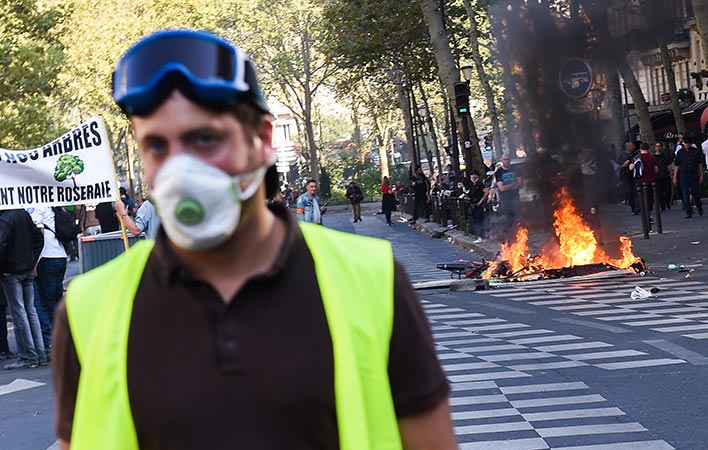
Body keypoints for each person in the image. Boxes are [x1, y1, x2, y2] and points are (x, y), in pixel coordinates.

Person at [52, 29, 455, 450]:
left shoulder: (373, 281)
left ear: (263, 140)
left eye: (205, 139)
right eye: (156, 146)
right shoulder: (88, 308)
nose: (180, 170)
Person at [0, 209, 46, 369]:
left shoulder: (4, 221)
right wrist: (33, 261)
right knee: (30, 312)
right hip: (27, 269)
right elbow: (39, 238)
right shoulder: (22, 214)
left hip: (12, 273)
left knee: (20, 314)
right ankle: (39, 354)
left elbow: (1, 247)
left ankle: (29, 357)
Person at [29, 206, 69, 349]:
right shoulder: (52, 206)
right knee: (57, 299)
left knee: (47, 302)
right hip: (61, 255)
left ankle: (55, 338)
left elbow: (39, 234)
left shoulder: (35, 207)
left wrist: (34, 263)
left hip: (46, 257)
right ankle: (65, 334)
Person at [673, 133, 704, 218]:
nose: (687, 145)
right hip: (683, 174)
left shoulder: (695, 151)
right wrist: (675, 177)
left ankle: (699, 206)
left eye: (688, 143)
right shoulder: (680, 152)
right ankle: (688, 211)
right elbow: (677, 165)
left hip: (693, 174)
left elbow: (699, 163)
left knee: (696, 193)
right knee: (685, 193)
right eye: (686, 143)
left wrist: (701, 174)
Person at [494, 153, 524, 225]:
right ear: (501, 160)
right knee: (507, 218)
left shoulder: (517, 169)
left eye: (508, 159)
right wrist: (513, 184)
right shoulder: (499, 172)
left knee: (517, 215)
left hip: (515, 197)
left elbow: (520, 184)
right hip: (504, 199)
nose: (506, 161)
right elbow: (502, 188)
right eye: (504, 160)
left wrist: (507, 187)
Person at [630, 142, 658, 218]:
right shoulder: (652, 157)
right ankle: (649, 213)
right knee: (649, 198)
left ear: (640, 149)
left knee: (641, 198)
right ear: (648, 149)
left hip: (639, 181)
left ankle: (644, 214)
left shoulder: (636, 158)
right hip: (650, 181)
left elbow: (631, 168)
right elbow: (656, 169)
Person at [466, 170, 489, 243]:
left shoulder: (480, 184)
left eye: (475, 175)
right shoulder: (471, 185)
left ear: (478, 176)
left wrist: (481, 201)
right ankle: (481, 236)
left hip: (478, 205)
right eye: (472, 175)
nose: (473, 176)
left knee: (479, 220)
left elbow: (487, 192)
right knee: (476, 220)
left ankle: (481, 236)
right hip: (473, 205)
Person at [617, 141, 639, 215]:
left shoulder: (635, 154)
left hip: (635, 175)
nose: (634, 147)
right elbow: (617, 166)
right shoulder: (622, 155)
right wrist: (623, 165)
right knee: (629, 192)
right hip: (626, 176)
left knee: (636, 191)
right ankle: (633, 207)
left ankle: (637, 207)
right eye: (632, 146)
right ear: (628, 147)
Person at [653, 142, 673, 211]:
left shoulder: (665, 156)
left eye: (659, 146)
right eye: (657, 146)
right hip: (657, 177)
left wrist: (671, 174)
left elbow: (669, 165)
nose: (658, 148)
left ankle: (667, 202)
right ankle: (662, 206)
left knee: (668, 191)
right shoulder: (653, 157)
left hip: (665, 175)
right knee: (660, 192)